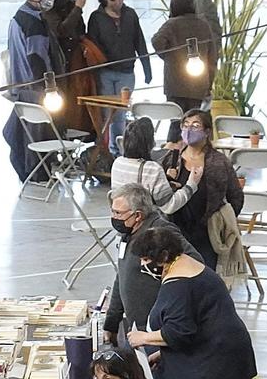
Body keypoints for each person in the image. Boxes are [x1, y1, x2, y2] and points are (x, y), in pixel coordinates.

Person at [126, 223, 257, 379]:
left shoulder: (179, 283)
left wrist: (144, 338)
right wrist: (162, 352)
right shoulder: (190, 266)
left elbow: (179, 332)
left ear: (164, 256)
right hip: (222, 355)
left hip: (211, 367)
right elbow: (197, 323)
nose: (143, 265)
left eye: (147, 259)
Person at [101, 183, 193, 350]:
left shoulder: (161, 232)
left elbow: (195, 262)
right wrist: (111, 323)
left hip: (157, 333)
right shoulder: (127, 233)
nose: (114, 217)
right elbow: (122, 276)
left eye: (118, 213)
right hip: (135, 330)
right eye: (112, 211)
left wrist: (162, 273)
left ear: (138, 215)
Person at [162, 108, 245, 275]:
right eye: (185, 125)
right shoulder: (172, 158)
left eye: (195, 125)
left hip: (207, 231)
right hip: (175, 228)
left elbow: (236, 196)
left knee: (205, 276)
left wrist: (222, 219)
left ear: (207, 131)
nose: (188, 130)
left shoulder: (219, 161)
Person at [2, 0, 61, 181]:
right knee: (37, 134)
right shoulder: (33, 22)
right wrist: (48, 87)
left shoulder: (19, 16)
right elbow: (37, 57)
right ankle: (38, 174)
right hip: (35, 88)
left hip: (21, 85)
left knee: (28, 131)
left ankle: (31, 172)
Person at [86, 0, 150, 143]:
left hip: (127, 71)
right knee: (107, 113)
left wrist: (147, 68)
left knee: (121, 112)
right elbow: (92, 44)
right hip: (105, 71)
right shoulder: (96, 17)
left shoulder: (130, 14)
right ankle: (106, 147)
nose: (118, 3)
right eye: (113, 0)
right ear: (105, 0)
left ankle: (118, 148)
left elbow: (139, 41)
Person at [109, 120, 188, 218]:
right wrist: (190, 186)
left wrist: (165, 179)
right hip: (145, 224)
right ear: (149, 142)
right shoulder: (152, 168)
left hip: (121, 217)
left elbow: (138, 185)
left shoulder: (117, 162)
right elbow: (170, 206)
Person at [153, 0, 216, 110]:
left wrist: (169, 57)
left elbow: (156, 41)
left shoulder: (171, 24)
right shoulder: (203, 25)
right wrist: (209, 83)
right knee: (194, 120)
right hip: (198, 84)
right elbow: (212, 56)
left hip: (175, 84)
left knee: (176, 121)